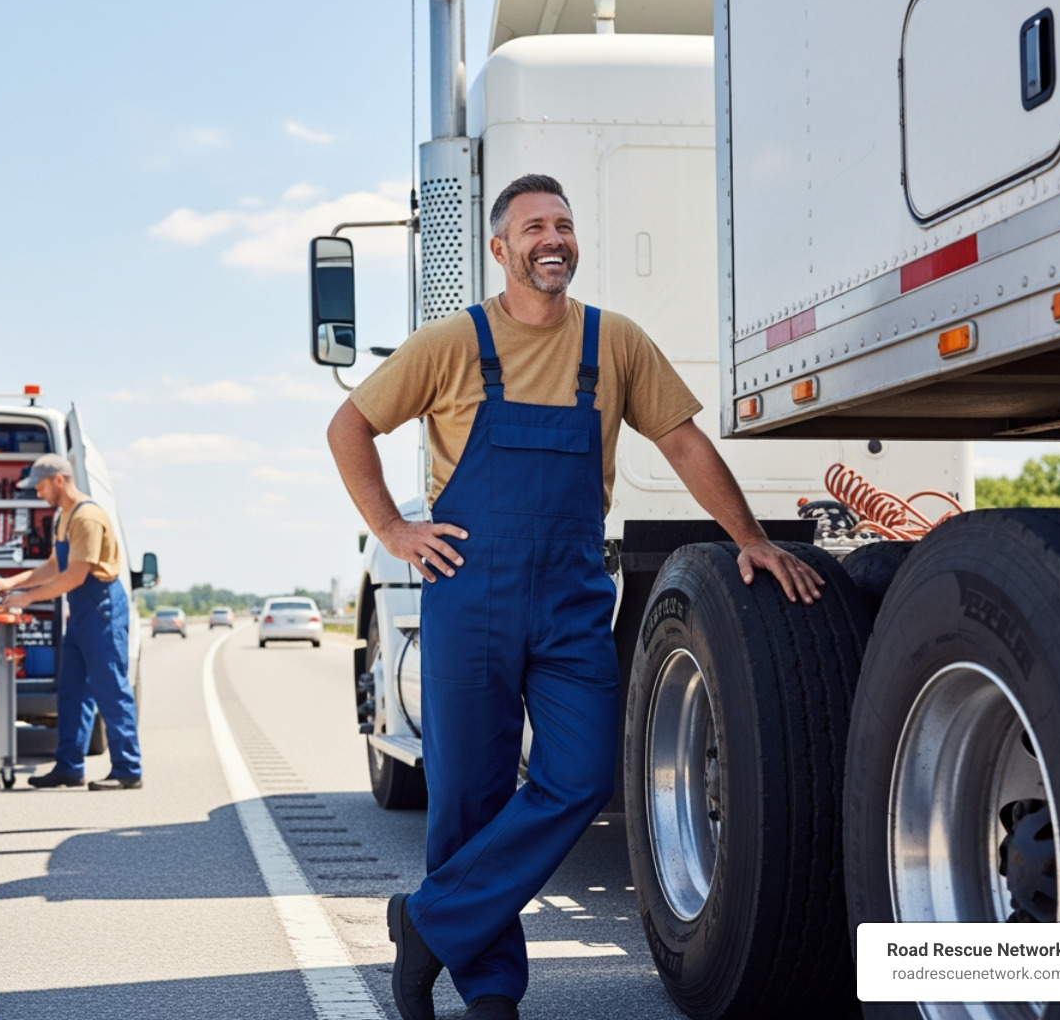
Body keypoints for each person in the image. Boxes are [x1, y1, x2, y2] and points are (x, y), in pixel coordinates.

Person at [326, 175, 823, 1020]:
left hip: (568, 597)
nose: (551, 238)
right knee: (468, 795)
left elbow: (683, 441)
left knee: (584, 774)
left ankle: (429, 922)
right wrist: (395, 531)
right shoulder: (452, 343)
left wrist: (749, 537)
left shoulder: (614, 343)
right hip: (469, 590)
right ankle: (489, 990)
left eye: (561, 224)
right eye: (531, 227)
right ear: (500, 249)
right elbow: (349, 428)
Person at [0, 453, 142, 791]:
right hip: (83, 613)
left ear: (59, 480)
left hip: (102, 610)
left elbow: (74, 575)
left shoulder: (87, 517)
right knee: (72, 692)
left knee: (111, 689)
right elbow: (55, 566)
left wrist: (27, 598)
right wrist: (13, 582)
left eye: (39, 486)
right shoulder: (64, 515)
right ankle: (69, 768)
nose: (37, 493)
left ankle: (128, 769)